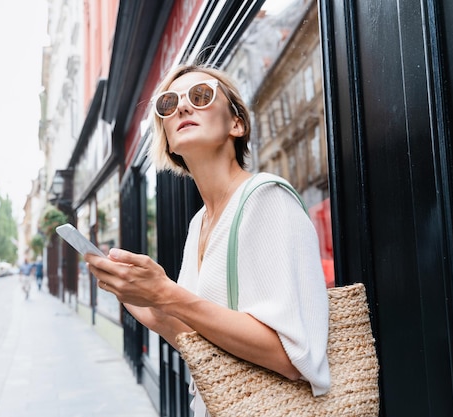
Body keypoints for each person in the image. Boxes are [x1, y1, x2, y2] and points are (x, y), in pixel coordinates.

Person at [86, 64, 330, 416]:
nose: (183, 107)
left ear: (236, 124)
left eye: (201, 96)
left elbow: (294, 358)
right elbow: (207, 344)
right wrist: (154, 311)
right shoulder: (199, 222)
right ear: (167, 139)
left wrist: (166, 294)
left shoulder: (266, 199)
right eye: (169, 104)